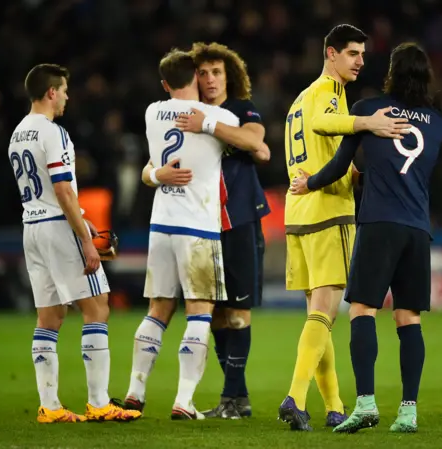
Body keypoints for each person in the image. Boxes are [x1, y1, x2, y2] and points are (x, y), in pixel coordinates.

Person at [291, 41, 442, 434]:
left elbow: (341, 164)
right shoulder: (438, 122)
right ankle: (408, 411)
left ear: (391, 71)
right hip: (417, 226)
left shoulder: (367, 110)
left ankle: (364, 405)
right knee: (408, 317)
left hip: (378, 223)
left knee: (362, 310)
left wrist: (308, 183)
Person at [279, 24, 412, 432]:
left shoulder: (297, 100)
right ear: (330, 53)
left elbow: (318, 141)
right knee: (325, 311)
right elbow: (325, 122)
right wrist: (368, 123)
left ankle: (335, 405)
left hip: (297, 213)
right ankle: (295, 398)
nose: (359, 61)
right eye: (352, 53)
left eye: (362, 54)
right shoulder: (326, 94)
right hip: (327, 211)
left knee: (318, 316)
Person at [10, 64, 141, 423]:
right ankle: (99, 402)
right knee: (97, 307)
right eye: (64, 89)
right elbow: (64, 189)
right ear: (51, 92)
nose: (67, 96)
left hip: (32, 229)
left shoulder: (17, 133)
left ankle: (49, 406)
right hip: (58, 227)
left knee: (49, 317)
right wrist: (85, 239)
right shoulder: (53, 133)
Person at [153, 41, 270, 419]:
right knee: (214, 314)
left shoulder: (238, 110)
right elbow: (153, 163)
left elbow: (256, 143)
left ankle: (235, 396)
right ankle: (235, 397)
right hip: (200, 224)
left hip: (238, 219)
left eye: (217, 72)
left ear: (229, 75)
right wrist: (153, 174)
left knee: (238, 312)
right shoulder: (181, 115)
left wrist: (209, 125)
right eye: (203, 73)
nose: (210, 79)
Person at [123, 49, 238, 419]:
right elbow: (250, 142)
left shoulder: (152, 113)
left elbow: (149, 169)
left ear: (164, 83)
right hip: (198, 227)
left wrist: (157, 175)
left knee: (157, 310)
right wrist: (209, 124)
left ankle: (134, 391)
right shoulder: (218, 116)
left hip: (161, 226)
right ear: (197, 80)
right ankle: (183, 400)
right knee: (200, 313)